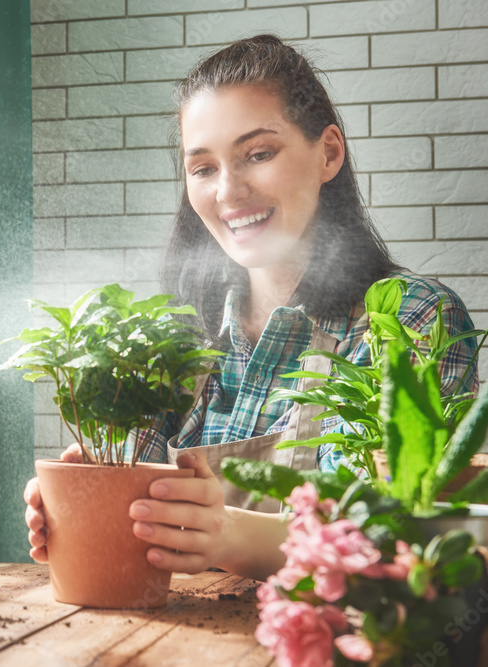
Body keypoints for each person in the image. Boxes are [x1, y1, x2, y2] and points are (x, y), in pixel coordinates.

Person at [24, 34, 480, 581]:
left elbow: (404, 544)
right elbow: (130, 518)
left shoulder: (410, 319)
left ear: (328, 153)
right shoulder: (176, 341)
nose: (229, 191)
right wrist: (83, 498)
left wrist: (230, 535)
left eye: (258, 154)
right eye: (203, 168)